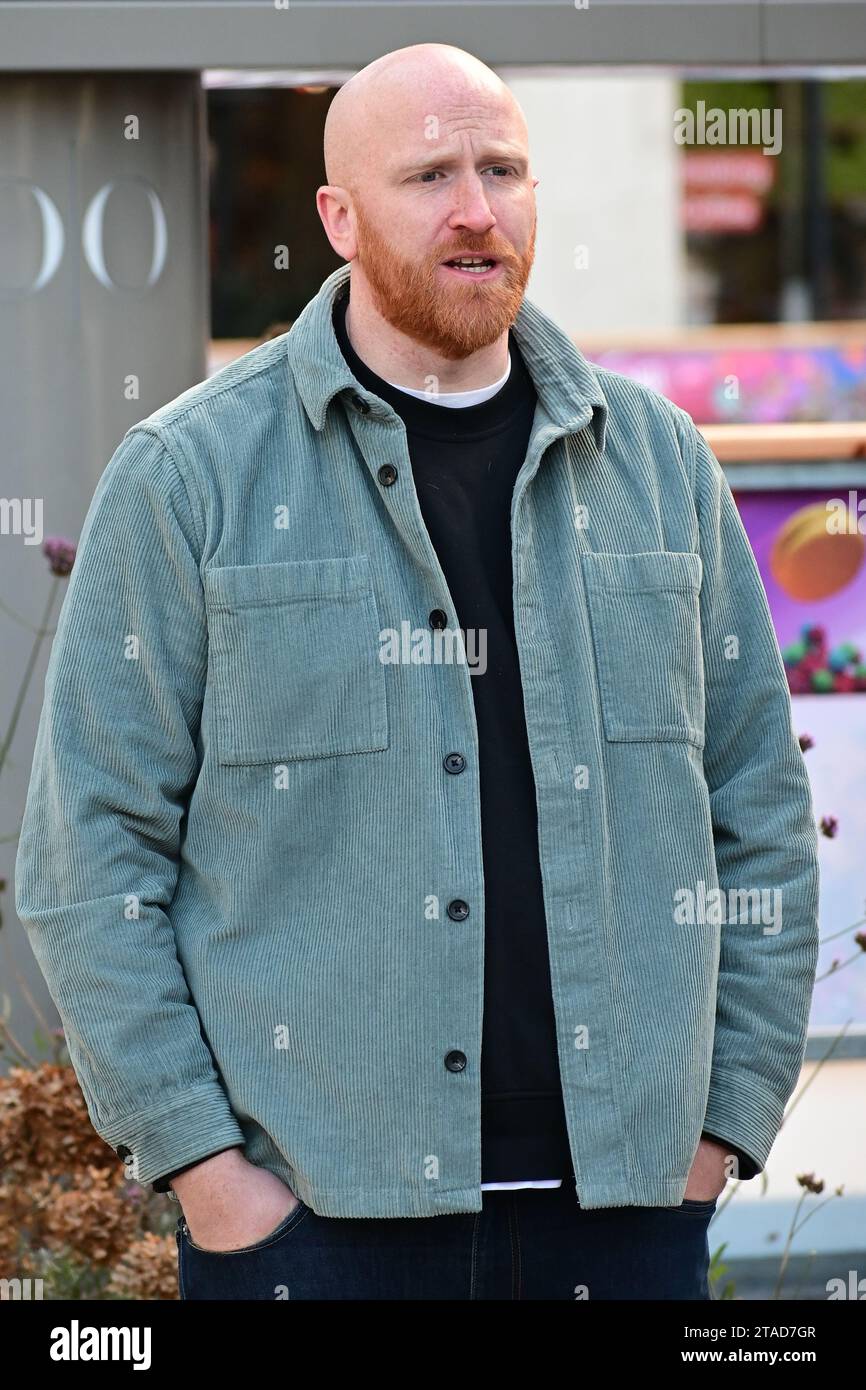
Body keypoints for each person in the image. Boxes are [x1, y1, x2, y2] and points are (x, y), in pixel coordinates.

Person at [15, 43, 820, 1301]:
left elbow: (758, 818)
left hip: (626, 1210)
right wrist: (209, 1176)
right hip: (318, 1228)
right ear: (336, 216)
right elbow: (88, 858)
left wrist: (720, 1131)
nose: (474, 208)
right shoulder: (189, 480)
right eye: (428, 174)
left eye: (502, 168)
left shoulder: (661, 467)